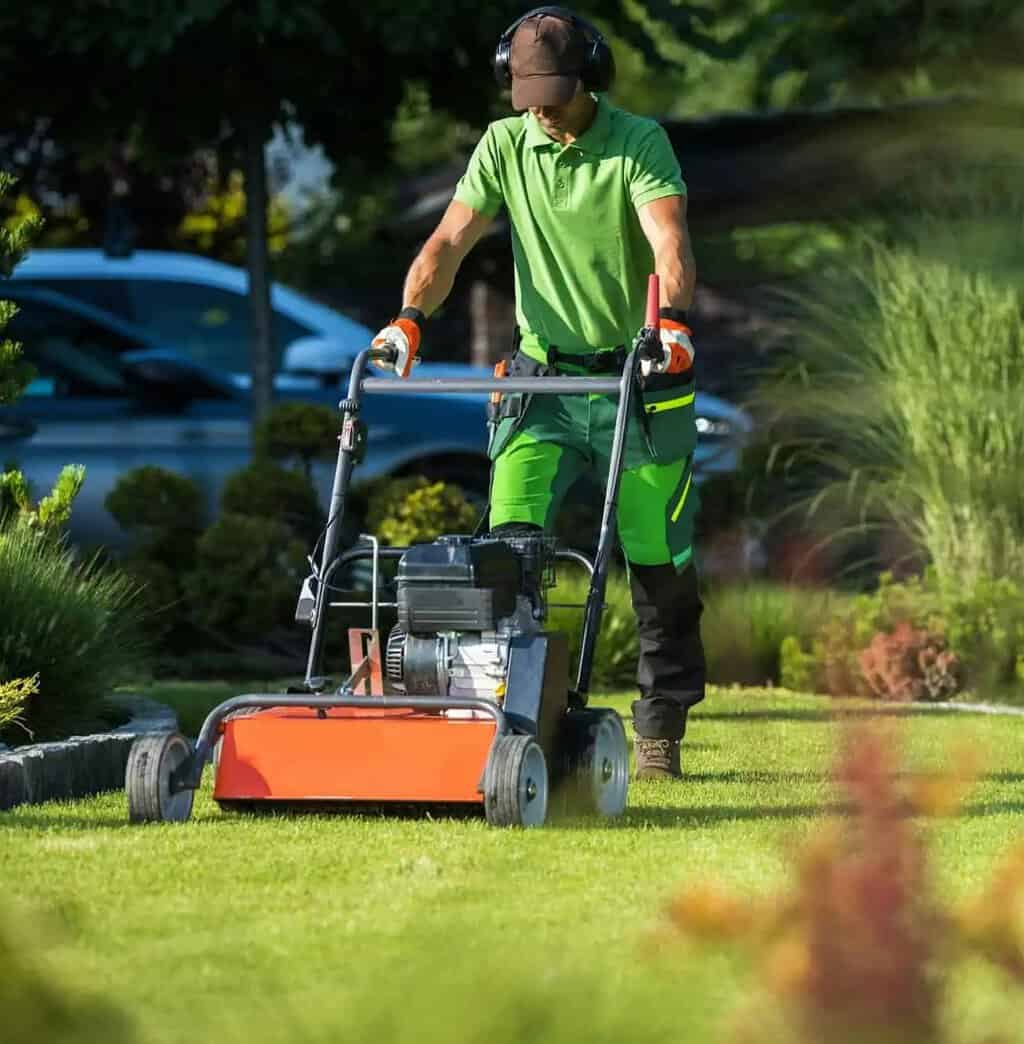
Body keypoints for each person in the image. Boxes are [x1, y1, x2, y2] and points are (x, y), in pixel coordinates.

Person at [371, 5, 704, 780]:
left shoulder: (637, 141)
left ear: (591, 76)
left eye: (555, 93)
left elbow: (669, 237)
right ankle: (510, 717)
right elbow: (448, 240)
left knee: (657, 560)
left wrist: (676, 322)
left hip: (640, 374)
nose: (544, 111)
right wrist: (411, 317)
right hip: (541, 379)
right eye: (529, 96)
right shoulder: (504, 143)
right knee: (506, 550)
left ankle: (659, 730)